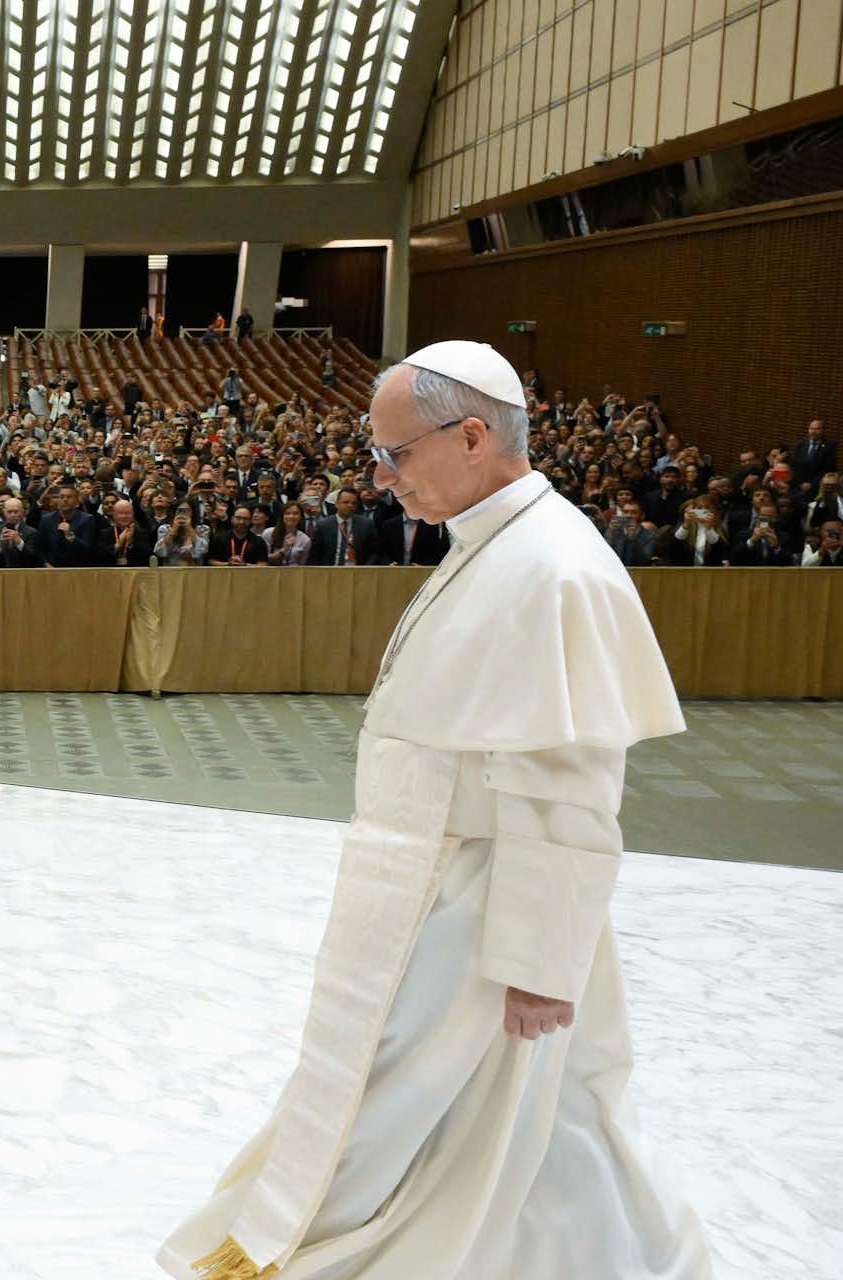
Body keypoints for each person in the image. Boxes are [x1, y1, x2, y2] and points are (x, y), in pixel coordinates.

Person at [161, 341, 706, 1280]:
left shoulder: (554, 569)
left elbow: (570, 785)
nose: (381, 477)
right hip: (435, 878)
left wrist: (540, 963)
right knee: (512, 1111)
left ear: (470, 437)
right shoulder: (493, 542)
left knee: (446, 1098)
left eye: (394, 454)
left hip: (484, 905)